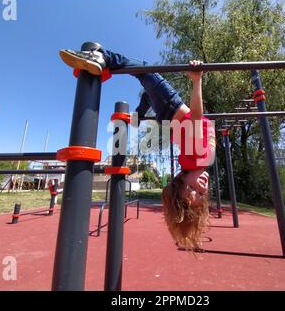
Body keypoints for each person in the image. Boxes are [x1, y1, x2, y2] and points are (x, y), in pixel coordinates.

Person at [59, 43, 216, 250]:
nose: (202, 186)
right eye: (201, 193)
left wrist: (197, 81)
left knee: (144, 70)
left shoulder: (197, 160)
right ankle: (142, 110)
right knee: (147, 91)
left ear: (181, 180)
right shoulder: (198, 164)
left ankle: (102, 57)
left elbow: (196, 119)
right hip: (168, 116)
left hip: (170, 106)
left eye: (193, 188)